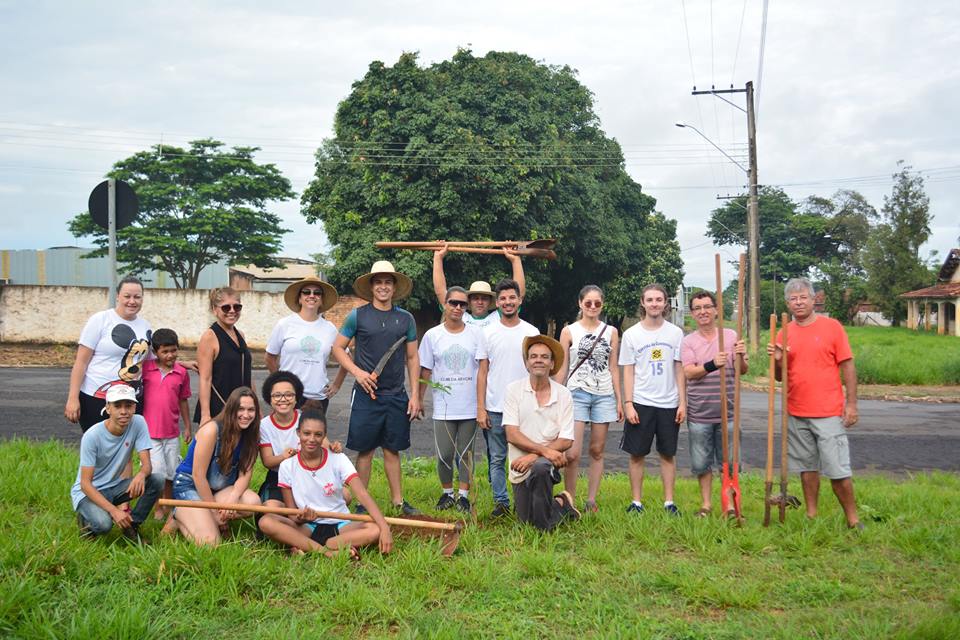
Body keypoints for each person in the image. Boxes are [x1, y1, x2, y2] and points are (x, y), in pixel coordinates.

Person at [768, 277, 862, 529]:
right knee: (807, 468)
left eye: (803, 297)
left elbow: (848, 365)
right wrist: (777, 360)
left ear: (813, 300)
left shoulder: (832, 327)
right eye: (793, 299)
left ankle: (853, 519)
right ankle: (811, 515)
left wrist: (851, 404)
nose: (798, 302)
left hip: (828, 411)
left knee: (838, 470)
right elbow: (779, 376)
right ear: (788, 303)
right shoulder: (783, 332)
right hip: (796, 411)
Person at [332, 261, 422, 516]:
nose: (383, 287)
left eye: (388, 282)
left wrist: (414, 395)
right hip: (366, 395)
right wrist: (358, 373)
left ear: (394, 288)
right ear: (372, 287)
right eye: (378, 282)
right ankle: (362, 503)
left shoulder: (406, 319)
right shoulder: (357, 316)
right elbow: (338, 348)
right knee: (366, 449)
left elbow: (413, 358)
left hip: (396, 394)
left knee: (392, 449)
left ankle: (398, 502)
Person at [258, 409, 393, 557]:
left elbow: (361, 494)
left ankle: (312, 545)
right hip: (307, 526)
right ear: (298, 433)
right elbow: (292, 515)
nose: (311, 439)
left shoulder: (338, 459)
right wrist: (302, 517)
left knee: (375, 529)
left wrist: (384, 527)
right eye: (306, 433)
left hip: (341, 524)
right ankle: (327, 552)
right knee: (266, 521)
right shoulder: (287, 466)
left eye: (318, 434)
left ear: (324, 436)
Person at [619, 284, 686, 516]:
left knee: (668, 454)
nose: (655, 304)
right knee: (637, 454)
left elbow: (679, 369)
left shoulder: (676, 333)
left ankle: (669, 502)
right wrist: (628, 403)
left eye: (659, 299)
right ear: (643, 302)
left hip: (669, 403)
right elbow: (628, 370)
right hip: (641, 402)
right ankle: (636, 502)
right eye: (650, 300)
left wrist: (682, 402)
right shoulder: (631, 335)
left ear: (666, 303)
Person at [553, 285, 622, 512]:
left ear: (602, 305)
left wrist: (620, 400)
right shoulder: (568, 331)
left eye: (597, 303)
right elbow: (563, 368)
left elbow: (613, 368)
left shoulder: (611, 331)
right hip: (576, 394)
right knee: (572, 453)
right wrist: (556, 395)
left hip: (604, 395)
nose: (592, 307)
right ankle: (569, 498)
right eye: (588, 303)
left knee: (597, 450)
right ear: (580, 303)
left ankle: (591, 499)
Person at [680, 291, 748, 517]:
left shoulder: (730, 336)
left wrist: (740, 356)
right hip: (700, 413)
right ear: (692, 313)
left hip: (727, 412)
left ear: (716, 309)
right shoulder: (688, 341)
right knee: (701, 463)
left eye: (707, 307)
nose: (703, 312)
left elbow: (743, 370)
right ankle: (706, 505)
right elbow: (689, 372)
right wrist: (711, 365)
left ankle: (729, 505)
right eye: (698, 308)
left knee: (729, 462)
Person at [476, 279, 540, 517]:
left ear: (519, 300)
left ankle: (526, 500)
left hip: (526, 405)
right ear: (497, 302)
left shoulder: (531, 332)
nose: (507, 302)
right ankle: (501, 502)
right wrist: (481, 408)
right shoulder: (487, 332)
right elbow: (482, 372)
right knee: (497, 458)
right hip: (495, 407)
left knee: (526, 455)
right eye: (502, 298)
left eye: (512, 297)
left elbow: (539, 369)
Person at [71, 384, 163, 543]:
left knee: (157, 480)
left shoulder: (138, 423)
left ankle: (132, 526)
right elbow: (85, 484)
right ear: (108, 408)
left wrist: (141, 474)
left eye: (128, 406)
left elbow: (147, 465)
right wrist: (114, 511)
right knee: (104, 525)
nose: (123, 411)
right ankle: (86, 522)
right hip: (88, 492)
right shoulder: (92, 436)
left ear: (134, 407)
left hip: (114, 486)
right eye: (117, 406)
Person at [503, 335, 579, 530]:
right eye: (533, 356)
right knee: (524, 520)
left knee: (540, 468)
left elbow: (566, 439)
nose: (538, 360)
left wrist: (534, 457)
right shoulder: (513, 390)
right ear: (527, 362)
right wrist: (540, 452)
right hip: (519, 465)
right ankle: (561, 504)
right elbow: (512, 434)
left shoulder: (563, 394)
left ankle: (544, 531)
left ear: (552, 363)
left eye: (544, 357)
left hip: (546, 466)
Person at [170, 387, 262, 545]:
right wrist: (214, 512)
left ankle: (198, 516)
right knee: (211, 543)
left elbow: (245, 475)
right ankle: (179, 515)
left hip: (218, 489)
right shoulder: (211, 430)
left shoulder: (251, 434)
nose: (246, 415)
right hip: (190, 486)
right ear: (231, 409)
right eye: (240, 409)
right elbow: (198, 476)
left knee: (253, 503)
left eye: (251, 410)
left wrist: (232, 500)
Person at [418, 286, 482, 513]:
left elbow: (483, 369)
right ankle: (447, 494)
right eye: (453, 302)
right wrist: (418, 399)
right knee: (445, 453)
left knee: (466, 454)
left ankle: (463, 495)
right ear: (444, 304)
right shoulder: (433, 335)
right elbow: (425, 369)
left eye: (462, 304)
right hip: (444, 406)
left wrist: (482, 405)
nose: (457, 307)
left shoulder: (475, 334)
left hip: (469, 405)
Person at [65, 276, 154, 432]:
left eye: (137, 297)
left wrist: (183, 364)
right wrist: (73, 398)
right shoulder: (100, 320)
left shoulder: (145, 325)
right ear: (118, 296)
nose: (132, 301)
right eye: (127, 296)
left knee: (125, 449)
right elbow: (81, 362)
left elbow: (150, 359)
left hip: (130, 399)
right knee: (99, 448)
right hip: (97, 398)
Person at [257, 370, 342, 509]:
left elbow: (327, 446)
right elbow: (268, 462)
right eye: (277, 395)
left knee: (345, 495)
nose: (283, 399)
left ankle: (303, 513)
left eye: (289, 394)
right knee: (270, 507)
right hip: (278, 478)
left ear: (296, 398)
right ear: (269, 399)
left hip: (309, 475)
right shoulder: (264, 425)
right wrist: (284, 456)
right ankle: (296, 514)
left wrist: (334, 448)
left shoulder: (305, 417)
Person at [266, 276, 347, 412]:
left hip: (318, 398)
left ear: (321, 300)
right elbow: (269, 357)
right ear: (299, 298)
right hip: (289, 396)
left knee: (313, 433)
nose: (312, 295)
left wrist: (337, 384)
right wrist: (279, 383)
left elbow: (346, 359)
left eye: (317, 293)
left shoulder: (329, 328)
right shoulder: (285, 324)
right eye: (306, 292)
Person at [141, 328, 192, 521]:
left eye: (173, 350)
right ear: (155, 352)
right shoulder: (146, 370)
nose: (170, 355)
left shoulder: (181, 373)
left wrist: (187, 426)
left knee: (171, 472)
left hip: (171, 433)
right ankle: (157, 508)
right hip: (149, 434)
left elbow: (183, 400)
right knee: (157, 473)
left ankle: (168, 504)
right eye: (165, 352)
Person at [432, 242, 526, 329]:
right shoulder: (460, 315)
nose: (480, 302)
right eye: (475, 298)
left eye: (484, 298)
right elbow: (441, 293)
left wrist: (515, 260)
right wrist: (438, 258)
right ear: (469, 301)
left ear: (490, 301)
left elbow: (518, 293)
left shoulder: (498, 316)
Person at [195, 287, 252, 427]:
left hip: (242, 410)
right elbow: (205, 379)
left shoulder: (241, 335)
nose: (232, 311)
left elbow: (247, 373)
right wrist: (205, 415)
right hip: (220, 408)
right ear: (215, 310)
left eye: (237, 307)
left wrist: (254, 405)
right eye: (226, 307)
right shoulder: (209, 337)